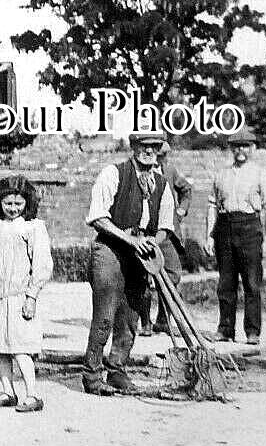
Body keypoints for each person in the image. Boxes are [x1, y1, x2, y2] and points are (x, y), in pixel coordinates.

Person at [82, 131, 175, 395]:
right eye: (143, 146)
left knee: (131, 314)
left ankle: (117, 370)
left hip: (140, 254)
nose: (149, 151)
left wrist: (152, 241)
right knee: (105, 315)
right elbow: (98, 217)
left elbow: (166, 226)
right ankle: (92, 375)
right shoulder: (114, 173)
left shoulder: (162, 184)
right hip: (110, 248)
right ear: (133, 147)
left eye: (154, 146)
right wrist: (130, 240)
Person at [0, 176, 53, 413]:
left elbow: (42, 265)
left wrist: (32, 296)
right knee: (0, 348)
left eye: (18, 204)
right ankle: (8, 392)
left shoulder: (32, 227)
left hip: (20, 297)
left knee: (21, 348)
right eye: (8, 204)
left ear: (27, 203)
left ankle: (32, 394)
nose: (13, 209)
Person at [206, 128, 266, 345]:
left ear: (252, 148)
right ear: (231, 149)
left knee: (252, 283)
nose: (241, 150)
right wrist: (209, 236)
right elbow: (212, 206)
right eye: (237, 146)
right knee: (225, 283)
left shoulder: (261, 174)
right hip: (225, 228)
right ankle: (225, 329)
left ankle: (253, 332)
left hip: (250, 228)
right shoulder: (221, 175)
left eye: (245, 146)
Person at [140, 141, 191, 336]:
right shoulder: (137, 172)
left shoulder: (169, 171)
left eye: (161, 156)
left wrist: (181, 211)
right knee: (142, 277)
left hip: (166, 231)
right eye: (156, 155)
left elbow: (186, 189)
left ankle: (163, 320)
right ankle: (145, 322)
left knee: (173, 273)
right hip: (143, 232)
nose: (157, 160)